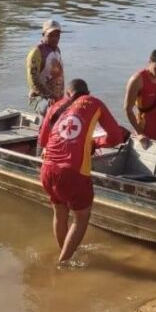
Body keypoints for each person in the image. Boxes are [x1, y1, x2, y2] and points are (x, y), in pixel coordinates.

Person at [37, 78, 125, 264]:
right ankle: (63, 263)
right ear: (88, 93)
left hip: (47, 171)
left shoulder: (56, 106)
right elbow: (116, 137)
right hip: (73, 173)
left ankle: (65, 252)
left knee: (60, 213)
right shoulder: (95, 103)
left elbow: (43, 140)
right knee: (81, 218)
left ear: (68, 94)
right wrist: (97, 143)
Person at [26, 19, 64, 116]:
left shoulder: (57, 50)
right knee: (52, 113)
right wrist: (48, 96)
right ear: (43, 34)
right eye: (51, 35)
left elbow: (59, 75)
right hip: (40, 99)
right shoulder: (36, 52)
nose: (55, 38)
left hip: (55, 97)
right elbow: (33, 80)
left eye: (57, 35)